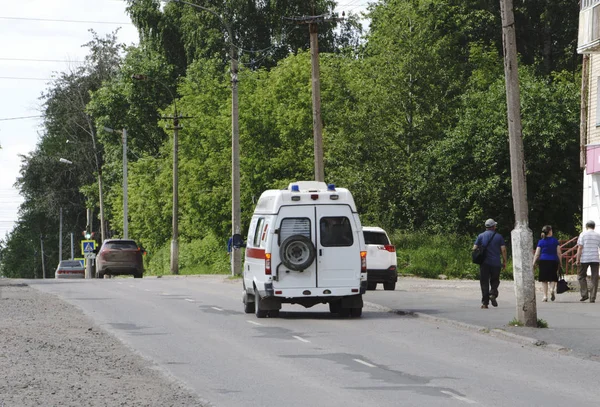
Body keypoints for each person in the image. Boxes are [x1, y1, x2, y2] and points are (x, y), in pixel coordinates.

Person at [473, 218, 507, 309]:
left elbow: (474, 248)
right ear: (493, 227)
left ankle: (485, 303)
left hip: (484, 263)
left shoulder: (481, 236)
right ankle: (492, 293)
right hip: (496, 263)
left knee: (484, 282)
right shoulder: (499, 237)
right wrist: (504, 261)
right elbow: (503, 250)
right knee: (495, 280)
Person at [532, 225, 562, 302]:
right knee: (552, 278)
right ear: (549, 232)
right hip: (553, 261)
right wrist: (560, 263)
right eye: (551, 230)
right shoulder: (555, 241)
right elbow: (559, 253)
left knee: (544, 280)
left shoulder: (541, 241)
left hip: (543, 261)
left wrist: (534, 262)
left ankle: (545, 296)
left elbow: (537, 254)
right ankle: (552, 289)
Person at [575, 220, 600, 303]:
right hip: (595, 259)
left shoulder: (583, 234)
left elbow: (580, 247)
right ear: (594, 227)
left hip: (584, 259)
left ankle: (584, 294)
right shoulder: (598, 235)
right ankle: (592, 297)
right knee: (594, 278)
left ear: (586, 226)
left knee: (581, 276)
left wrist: (577, 259)